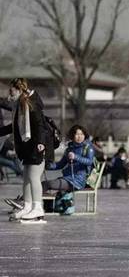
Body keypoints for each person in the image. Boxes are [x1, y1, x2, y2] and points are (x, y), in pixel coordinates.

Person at [0, 78, 50, 223]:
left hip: (36, 145)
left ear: (19, 89)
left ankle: (38, 208)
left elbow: (40, 124)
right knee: (27, 177)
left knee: (34, 178)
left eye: (11, 90)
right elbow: (13, 127)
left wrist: (40, 142)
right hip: (27, 146)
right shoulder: (20, 105)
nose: (10, 93)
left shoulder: (30, 102)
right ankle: (27, 207)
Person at [44, 125, 94, 191]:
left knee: (48, 184)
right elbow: (60, 164)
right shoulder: (69, 149)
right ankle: (45, 201)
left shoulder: (87, 148)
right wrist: (48, 165)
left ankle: (34, 201)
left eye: (82, 134)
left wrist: (76, 157)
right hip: (67, 177)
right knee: (44, 184)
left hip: (77, 181)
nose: (80, 137)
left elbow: (89, 161)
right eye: (77, 134)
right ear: (72, 136)